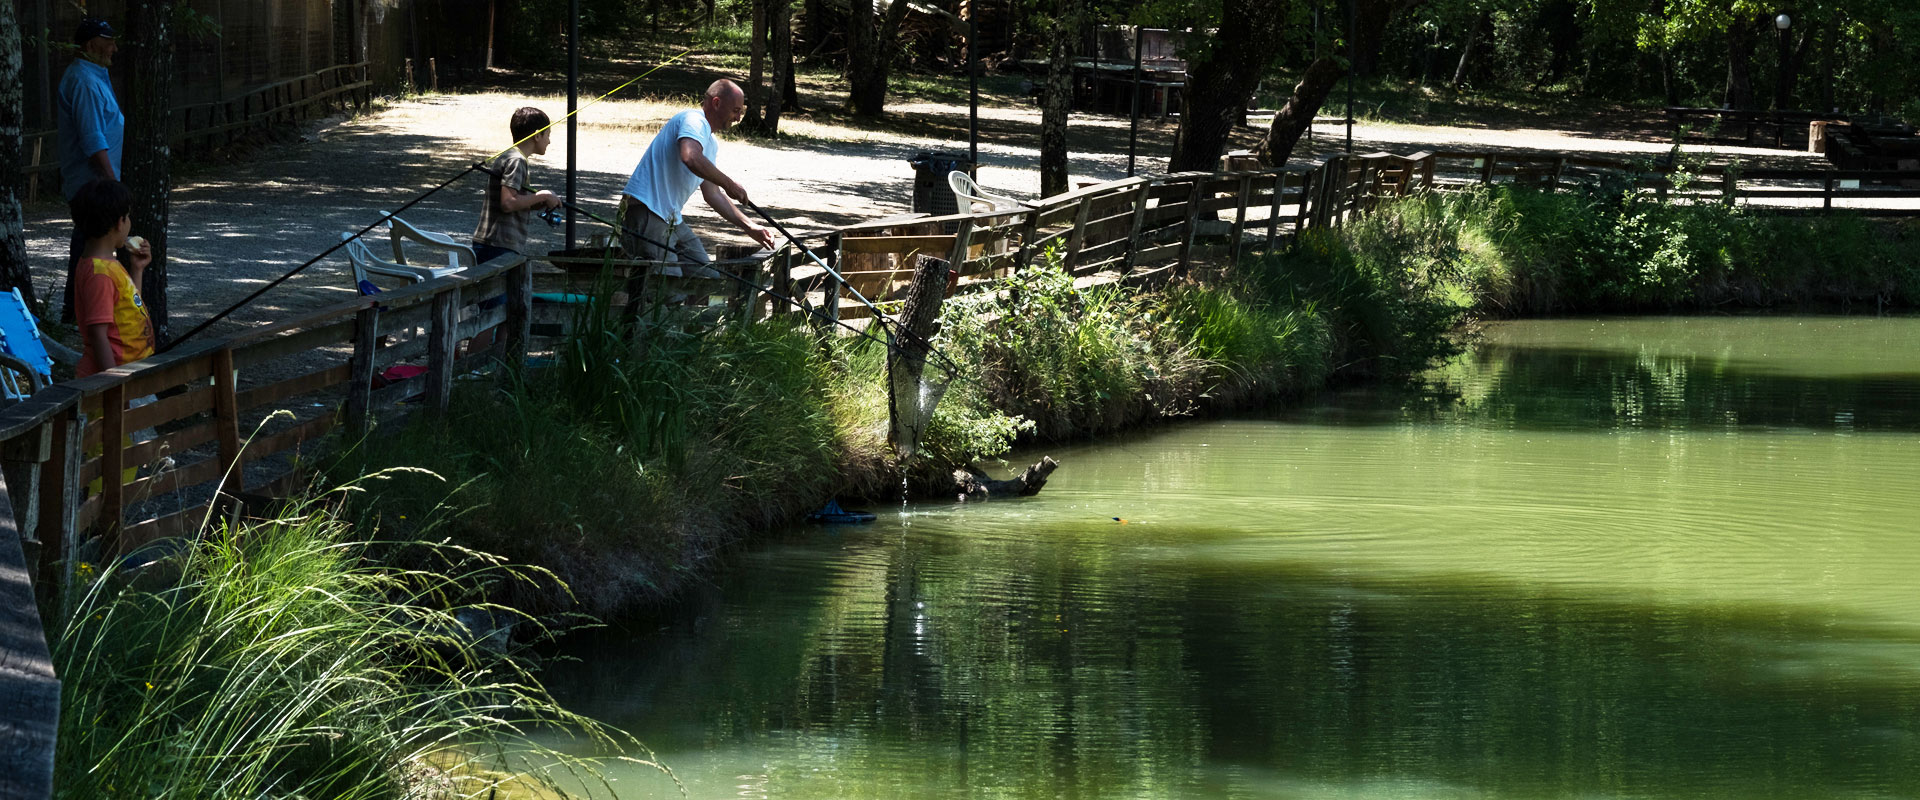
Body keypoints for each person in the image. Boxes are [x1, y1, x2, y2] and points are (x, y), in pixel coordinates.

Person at [618, 79, 775, 268]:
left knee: (705, 277)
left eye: (740, 111)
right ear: (716, 103)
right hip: (647, 212)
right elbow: (690, 157)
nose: (738, 118)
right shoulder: (693, 120)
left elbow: (713, 194)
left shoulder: (710, 142)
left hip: (671, 218)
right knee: (664, 286)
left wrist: (750, 226)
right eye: (735, 110)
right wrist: (729, 183)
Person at [55, 17, 125, 323]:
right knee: (90, 249)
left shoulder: (94, 75)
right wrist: (113, 185)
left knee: (91, 246)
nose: (114, 48)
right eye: (107, 41)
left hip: (94, 185)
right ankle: (78, 316)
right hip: (92, 186)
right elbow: (93, 140)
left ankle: (81, 313)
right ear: (89, 45)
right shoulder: (84, 81)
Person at [69, 179, 153, 379]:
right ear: (119, 222)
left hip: (133, 372)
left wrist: (137, 270)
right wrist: (113, 384)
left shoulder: (106, 265)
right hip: (116, 381)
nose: (129, 222)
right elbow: (98, 335)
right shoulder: (100, 274)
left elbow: (130, 305)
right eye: (128, 217)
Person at [471, 106, 562, 264]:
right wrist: (544, 195)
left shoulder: (512, 156)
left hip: (495, 243)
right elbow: (507, 203)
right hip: (498, 245)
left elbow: (514, 200)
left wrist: (537, 203)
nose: (549, 141)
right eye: (548, 134)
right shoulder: (517, 160)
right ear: (537, 136)